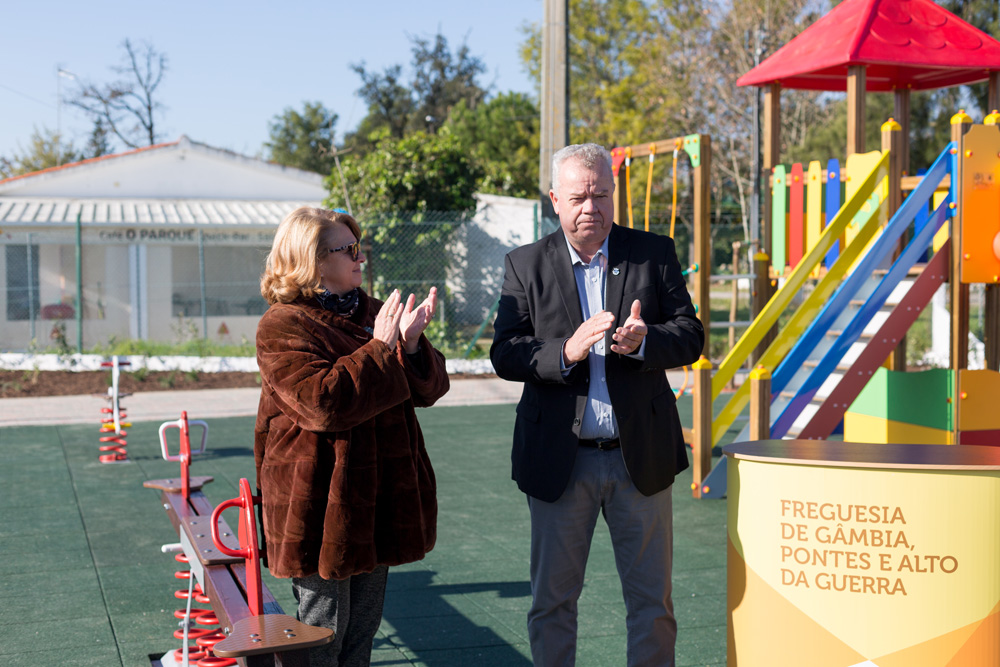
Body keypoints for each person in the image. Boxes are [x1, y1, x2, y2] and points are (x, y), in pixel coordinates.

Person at [490, 144, 704, 666]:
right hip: (561, 460)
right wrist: (565, 352)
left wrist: (646, 342)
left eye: (602, 194)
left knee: (652, 604)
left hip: (641, 458)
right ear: (554, 200)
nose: (592, 207)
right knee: (552, 603)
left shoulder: (653, 253)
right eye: (579, 197)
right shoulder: (525, 264)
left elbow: (691, 334)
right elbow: (506, 351)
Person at [255, 206, 449, 667]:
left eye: (358, 247)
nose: (361, 257)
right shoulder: (282, 324)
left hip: (379, 495)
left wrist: (412, 345)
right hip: (319, 501)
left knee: (362, 631)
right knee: (323, 634)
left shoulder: (375, 312)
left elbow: (431, 390)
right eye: (349, 249)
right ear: (314, 260)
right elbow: (321, 403)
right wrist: (380, 349)